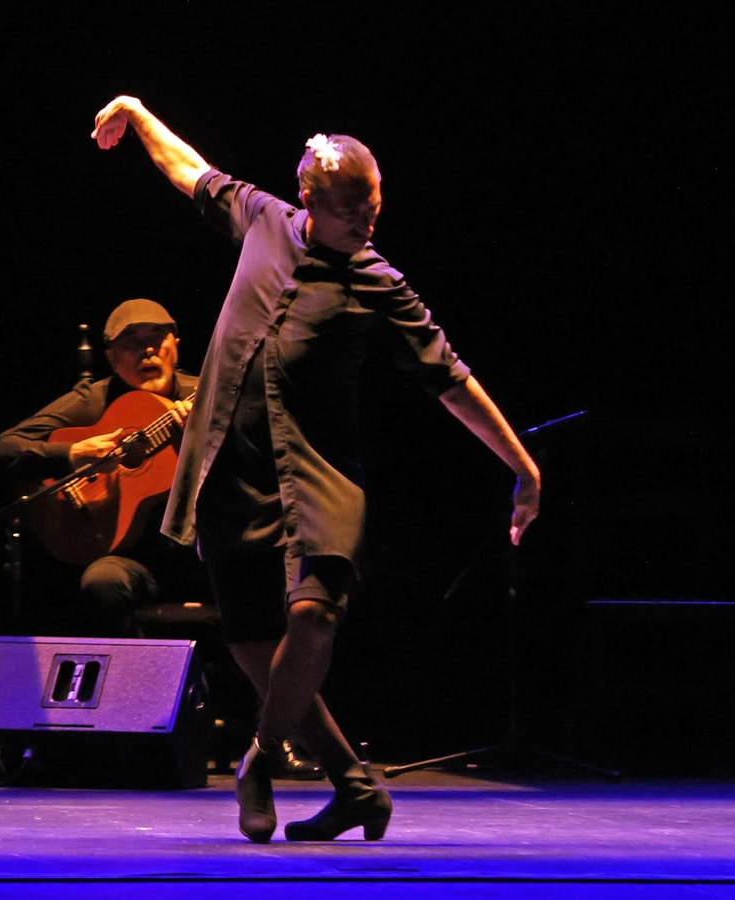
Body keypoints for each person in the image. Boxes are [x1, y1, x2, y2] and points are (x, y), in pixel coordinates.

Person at [91, 97, 542, 842]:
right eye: (346, 210)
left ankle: (259, 759)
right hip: (229, 466)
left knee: (313, 614)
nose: (364, 222)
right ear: (308, 199)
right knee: (247, 636)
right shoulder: (263, 218)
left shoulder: (378, 282)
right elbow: (190, 171)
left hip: (319, 472)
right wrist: (137, 115)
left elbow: (450, 379)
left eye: (371, 205)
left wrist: (523, 467)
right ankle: (355, 785)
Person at [0, 299, 199, 637]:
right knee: (102, 582)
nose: (147, 350)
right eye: (132, 342)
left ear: (176, 346)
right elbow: (0, 451)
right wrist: (71, 453)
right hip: (138, 560)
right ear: (111, 358)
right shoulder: (96, 400)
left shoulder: (205, 395)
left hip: (205, 551)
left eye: (157, 337)